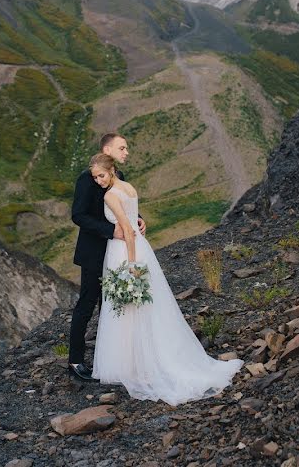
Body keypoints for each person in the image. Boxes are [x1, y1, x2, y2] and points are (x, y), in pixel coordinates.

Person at [89, 153, 243, 405]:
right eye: (95, 177)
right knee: (146, 306)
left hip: (125, 251)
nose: (98, 181)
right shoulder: (129, 187)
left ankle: (134, 364)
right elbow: (134, 220)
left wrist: (130, 264)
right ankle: (139, 359)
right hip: (142, 247)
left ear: (112, 170)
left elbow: (127, 230)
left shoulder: (110, 195)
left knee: (128, 307)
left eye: (101, 175)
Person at [68, 134, 145, 381]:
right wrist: (111, 230)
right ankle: (75, 361)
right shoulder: (86, 179)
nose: (126, 152)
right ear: (107, 149)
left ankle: (111, 361)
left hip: (117, 252)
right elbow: (78, 215)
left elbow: (122, 205)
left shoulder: (118, 177)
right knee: (87, 304)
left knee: (113, 306)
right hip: (94, 251)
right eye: (122, 148)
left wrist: (138, 219)